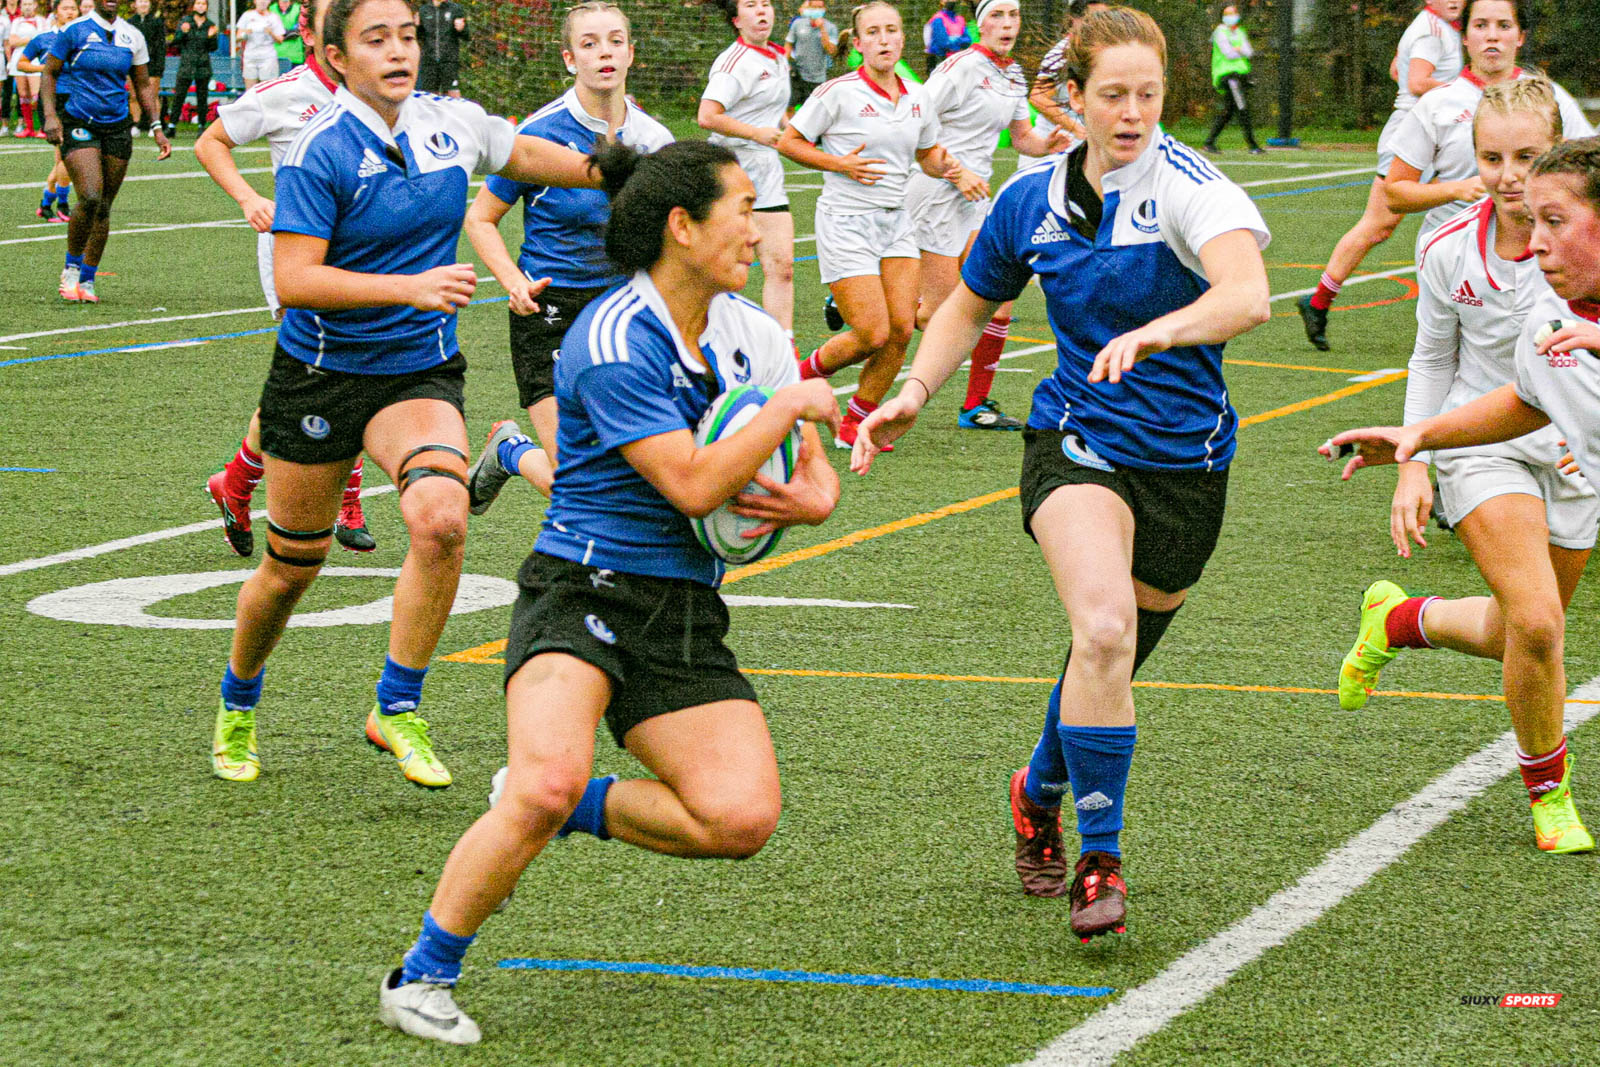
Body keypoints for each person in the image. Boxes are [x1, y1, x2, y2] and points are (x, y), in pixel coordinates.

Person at [377, 138, 843, 1047]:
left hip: (683, 605)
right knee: (543, 783)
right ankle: (420, 975)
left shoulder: (753, 332)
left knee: (741, 816)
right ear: (682, 226)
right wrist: (790, 408)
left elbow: (814, 475)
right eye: (742, 210)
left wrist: (809, 498)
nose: (757, 230)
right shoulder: (612, 335)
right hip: (581, 586)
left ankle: (570, 805)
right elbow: (694, 484)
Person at [852, 6, 1270, 940]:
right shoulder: (1029, 199)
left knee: (1110, 655)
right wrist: (915, 388)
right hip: (1076, 441)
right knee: (1105, 627)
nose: (1133, 114)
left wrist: (1160, 330)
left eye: (1148, 95)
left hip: (1189, 461)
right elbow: (969, 304)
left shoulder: (1191, 187)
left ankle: (1037, 786)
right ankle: (1100, 861)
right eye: (1112, 95)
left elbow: (1246, 295)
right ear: (1070, 97)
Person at [206, 0, 612, 789]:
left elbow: (529, 153)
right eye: (376, 39)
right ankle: (238, 701)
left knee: (443, 519)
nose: (399, 51)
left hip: (417, 370)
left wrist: (622, 168)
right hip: (321, 373)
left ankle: (396, 705)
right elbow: (296, 279)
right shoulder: (319, 147)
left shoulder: (450, 122)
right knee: (291, 568)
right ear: (336, 56)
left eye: (407, 36)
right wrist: (410, 286)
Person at [1323, 134, 1600, 856]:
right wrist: (1419, 439)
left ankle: (1401, 619)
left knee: (1519, 631)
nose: (1535, 243)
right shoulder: (1549, 323)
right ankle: (1549, 793)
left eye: (1556, 221)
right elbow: (1524, 403)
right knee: (1536, 625)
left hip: (1572, 477)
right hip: (1489, 461)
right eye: (1533, 221)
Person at [461, 0, 672, 511]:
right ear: (569, 59)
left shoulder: (653, 140)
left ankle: (511, 451)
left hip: (624, 313)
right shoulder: (538, 134)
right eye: (590, 43)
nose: (605, 53)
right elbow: (480, 218)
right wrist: (513, 281)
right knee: (577, 484)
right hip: (549, 310)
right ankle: (511, 451)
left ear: (631, 54)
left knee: (631, 472)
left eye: (615, 41)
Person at [195, 0, 374, 557]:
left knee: (340, 372)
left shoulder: (374, 90)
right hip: (299, 253)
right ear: (308, 31)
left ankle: (236, 482)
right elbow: (210, 142)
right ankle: (346, 499)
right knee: (336, 370)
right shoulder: (285, 92)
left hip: (365, 251)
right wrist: (249, 198)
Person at [778, 0, 984, 449]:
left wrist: (952, 169)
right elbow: (789, 142)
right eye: (873, 32)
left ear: (902, 38)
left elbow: (927, 154)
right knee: (871, 333)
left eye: (891, 30)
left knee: (901, 330)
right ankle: (793, 380)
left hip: (897, 222)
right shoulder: (837, 93)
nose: (884, 39)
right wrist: (839, 163)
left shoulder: (918, 96)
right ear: (858, 43)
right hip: (846, 221)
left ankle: (855, 421)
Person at [908, 0, 1062, 431]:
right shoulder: (960, 68)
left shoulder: (1013, 73)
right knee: (935, 315)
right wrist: (956, 172)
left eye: (1013, 15)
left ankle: (975, 406)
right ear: (980, 24)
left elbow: (1022, 137)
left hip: (976, 196)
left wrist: (1051, 143)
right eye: (997, 15)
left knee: (994, 299)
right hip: (937, 190)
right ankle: (873, 308)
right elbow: (914, 123)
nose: (1007, 24)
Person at [1298, 0, 1464, 350]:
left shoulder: (1439, 28)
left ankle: (1463, 310)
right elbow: (1416, 81)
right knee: (1379, 225)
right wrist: (1464, 92)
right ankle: (1318, 301)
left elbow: (1396, 70)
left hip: (1436, 130)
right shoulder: (1432, 31)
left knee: (1458, 210)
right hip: (1415, 133)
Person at [1384, 0, 1593, 258]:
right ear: (1464, 37)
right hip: (1456, 253)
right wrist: (1455, 190)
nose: (1492, 36)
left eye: (1504, 26)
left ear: (1520, 36)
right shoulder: (1436, 104)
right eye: (1481, 25)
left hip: (1536, 249)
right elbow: (1394, 194)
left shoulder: (1551, 97)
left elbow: (1588, 171)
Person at [41, 0, 171, 302]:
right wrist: (50, 115)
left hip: (117, 126)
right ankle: (71, 268)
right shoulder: (75, 31)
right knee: (90, 195)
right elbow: (49, 73)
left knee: (103, 206)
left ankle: (87, 280)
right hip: (79, 120)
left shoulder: (132, 35)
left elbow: (143, 84)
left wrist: (156, 126)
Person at [698, 0, 794, 342]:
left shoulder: (778, 56)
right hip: (731, 171)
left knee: (782, 266)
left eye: (766, 3)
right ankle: (709, 341)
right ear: (737, 20)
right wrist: (755, 133)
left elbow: (774, 112)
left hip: (767, 172)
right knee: (723, 270)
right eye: (751, 5)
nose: (762, 10)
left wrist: (796, 130)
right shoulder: (734, 62)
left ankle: (783, 347)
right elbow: (707, 116)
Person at [15, 0, 75, 216]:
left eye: (73, 8)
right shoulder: (43, 38)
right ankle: (61, 205)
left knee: (66, 156)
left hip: (79, 98)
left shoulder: (83, 38)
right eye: (65, 8)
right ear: (55, 12)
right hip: (53, 99)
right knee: (68, 153)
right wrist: (45, 68)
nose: (70, 12)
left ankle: (47, 203)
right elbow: (21, 63)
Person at [1028, 0, 1106, 146]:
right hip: (1054, 146)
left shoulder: (1100, 52)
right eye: (1092, 19)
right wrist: (1075, 128)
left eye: (1104, 19)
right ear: (1074, 20)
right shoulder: (1061, 54)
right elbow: (1037, 97)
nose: (1100, 26)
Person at [1202, 3, 1261, 154]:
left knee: (1228, 111)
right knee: (1242, 108)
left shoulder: (1240, 32)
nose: (1231, 17)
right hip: (1228, 76)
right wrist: (1239, 49)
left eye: (1233, 13)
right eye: (1227, 14)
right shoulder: (1220, 32)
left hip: (1241, 76)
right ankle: (1253, 145)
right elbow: (1228, 53)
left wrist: (1238, 49)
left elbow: (1249, 52)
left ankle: (1209, 142)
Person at [169, 0, 216, 130]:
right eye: (198, 3)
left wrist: (211, 37)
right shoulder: (186, 22)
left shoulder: (210, 25)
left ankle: (202, 125)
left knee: (202, 97)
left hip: (203, 65)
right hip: (187, 64)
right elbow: (176, 42)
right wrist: (183, 32)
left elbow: (213, 48)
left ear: (206, 7)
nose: (201, 6)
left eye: (203, 4)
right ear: (194, 6)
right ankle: (172, 125)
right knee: (179, 95)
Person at [784, 0, 834, 111]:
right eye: (813, 7)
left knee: (812, 109)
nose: (816, 10)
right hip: (798, 73)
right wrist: (785, 63)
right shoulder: (797, 23)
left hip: (817, 76)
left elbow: (830, 50)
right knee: (790, 105)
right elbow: (789, 43)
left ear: (824, 9)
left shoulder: (829, 27)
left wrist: (822, 28)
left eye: (819, 8)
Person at [7, 0, 47, 137]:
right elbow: (12, 41)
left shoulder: (41, 21)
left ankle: (40, 127)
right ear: (21, 6)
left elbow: (41, 40)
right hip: (18, 58)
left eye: (30, 4)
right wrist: (30, 38)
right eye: (24, 4)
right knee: (23, 95)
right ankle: (28, 127)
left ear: (35, 5)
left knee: (36, 94)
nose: (27, 7)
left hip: (35, 58)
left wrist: (22, 40)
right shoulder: (16, 22)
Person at [124, 0, 163, 134]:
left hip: (152, 65)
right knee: (134, 96)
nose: (143, 4)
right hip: (133, 64)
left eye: (146, 1)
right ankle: (135, 124)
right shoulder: (129, 23)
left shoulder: (157, 22)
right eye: (140, 1)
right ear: (135, 4)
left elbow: (161, 47)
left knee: (152, 96)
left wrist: (159, 67)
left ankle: (155, 126)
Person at [415, 0, 465, 97]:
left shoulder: (455, 9)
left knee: (453, 94)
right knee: (430, 96)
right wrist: (416, 27)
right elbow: (419, 36)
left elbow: (466, 36)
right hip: (429, 61)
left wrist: (462, 29)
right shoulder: (424, 10)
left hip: (449, 61)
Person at [236, 0, 285, 88]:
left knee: (267, 89)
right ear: (255, 1)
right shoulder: (247, 15)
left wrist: (271, 33)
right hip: (250, 57)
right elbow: (237, 38)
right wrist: (245, 33)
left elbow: (280, 40)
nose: (262, 2)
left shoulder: (274, 17)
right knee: (250, 89)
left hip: (268, 57)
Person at [921, 0, 966, 78]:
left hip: (956, 60)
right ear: (941, 1)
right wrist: (959, 41)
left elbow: (967, 40)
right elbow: (942, 42)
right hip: (940, 60)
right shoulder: (937, 19)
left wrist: (953, 40)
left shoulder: (960, 19)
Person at [273, 0, 303, 73]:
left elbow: (297, 31)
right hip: (275, 57)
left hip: (295, 57)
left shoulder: (298, 9)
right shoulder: (271, 9)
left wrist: (278, 34)